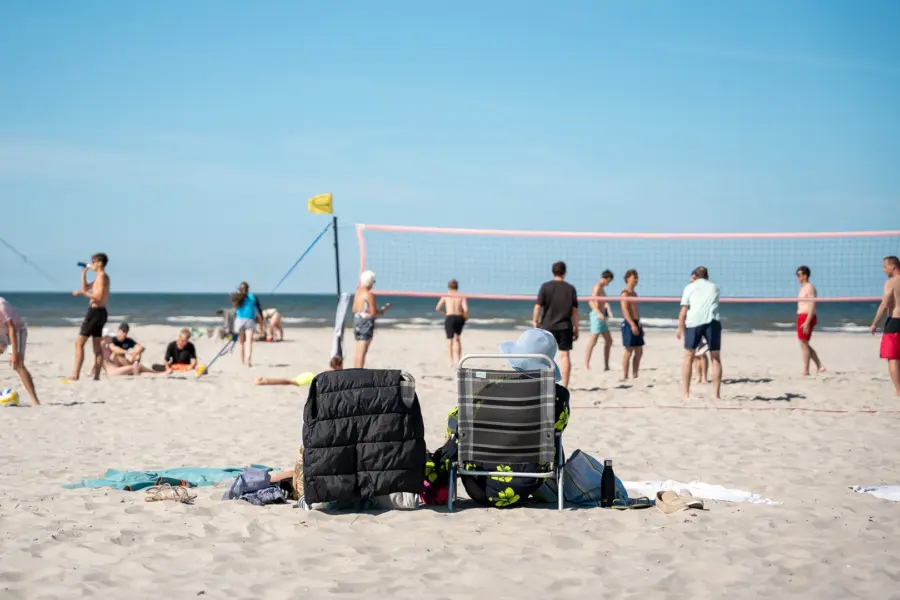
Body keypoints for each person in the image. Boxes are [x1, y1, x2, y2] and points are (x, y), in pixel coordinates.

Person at [676, 266, 723, 400]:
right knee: (715, 358)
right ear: (707, 276)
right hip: (712, 322)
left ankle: (686, 393)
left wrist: (680, 328)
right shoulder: (715, 287)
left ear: (694, 276)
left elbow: (683, 312)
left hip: (694, 322)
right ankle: (716, 395)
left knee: (688, 357)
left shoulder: (689, 287)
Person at [533, 261, 579, 387]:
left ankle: (545, 384)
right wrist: (577, 328)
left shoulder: (545, 287)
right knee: (565, 355)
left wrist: (535, 322)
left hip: (548, 327)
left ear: (553, 272)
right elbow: (575, 312)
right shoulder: (570, 289)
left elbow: (537, 307)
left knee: (544, 357)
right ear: (565, 272)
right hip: (565, 327)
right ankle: (565, 385)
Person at [71, 253, 110, 381]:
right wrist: (84, 273)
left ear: (99, 263)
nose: (91, 264)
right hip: (99, 313)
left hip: (95, 313)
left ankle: (75, 375)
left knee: (79, 343)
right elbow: (86, 287)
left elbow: (98, 297)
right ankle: (97, 377)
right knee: (96, 345)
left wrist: (83, 293)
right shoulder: (99, 277)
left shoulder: (102, 277)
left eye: (93, 262)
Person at [0, 296, 40, 405]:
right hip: (2, 332)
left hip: (17, 331)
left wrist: (14, 353)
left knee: (18, 364)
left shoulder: (2, 305)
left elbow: (11, 328)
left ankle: (35, 400)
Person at [870, 256, 900, 396]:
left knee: (893, 358)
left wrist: (875, 322)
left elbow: (884, 304)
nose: (883, 270)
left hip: (895, 322)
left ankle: (899, 390)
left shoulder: (891, 283)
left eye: (885, 266)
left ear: (893, 266)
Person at [353, 270, 390, 368]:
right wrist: (383, 310)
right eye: (373, 282)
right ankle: (358, 376)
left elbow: (354, 309)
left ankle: (355, 373)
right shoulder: (370, 295)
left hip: (357, 321)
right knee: (362, 352)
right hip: (366, 323)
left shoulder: (357, 293)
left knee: (358, 352)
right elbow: (373, 313)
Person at [796, 265, 825, 376]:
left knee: (804, 343)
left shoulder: (809, 287)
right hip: (801, 316)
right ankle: (819, 365)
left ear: (805, 275)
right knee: (804, 343)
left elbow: (812, 305)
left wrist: (807, 322)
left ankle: (806, 370)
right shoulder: (803, 288)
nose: (797, 277)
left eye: (799, 275)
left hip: (807, 316)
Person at [584, 270, 614, 371]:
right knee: (593, 341)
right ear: (607, 279)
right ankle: (586, 364)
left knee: (609, 340)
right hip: (597, 317)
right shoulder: (597, 287)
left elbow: (602, 302)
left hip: (602, 316)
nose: (609, 284)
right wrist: (598, 313)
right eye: (609, 281)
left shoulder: (602, 288)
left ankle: (606, 365)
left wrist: (607, 308)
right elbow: (591, 302)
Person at [436, 279, 469, 367]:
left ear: (449, 287)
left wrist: (445, 312)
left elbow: (438, 308)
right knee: (457, 339)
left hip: (450, 317)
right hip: (459, 317)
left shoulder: (446, 295)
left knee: (449, 340)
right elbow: (465, 309)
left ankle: (451, 362)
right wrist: (465, 317)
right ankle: (459, 361)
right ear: (457, 287)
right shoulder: (461, 296)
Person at [619, 269, 643, 379]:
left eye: (637, 278)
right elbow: (625, 310)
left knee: (639, 351)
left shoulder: (635, 294)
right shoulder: (625, 293)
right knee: (629, 350)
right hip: (629, 323)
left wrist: (638, 323)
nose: (636, 280)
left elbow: (636, 310)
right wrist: (632, 324)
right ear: (628, 278)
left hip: (637, 322)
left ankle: (635, 374)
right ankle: (625, 375)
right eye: (634, 277)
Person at [232, 282, 263, 367]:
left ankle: (242, 361)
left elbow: (235, 310)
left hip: (239, 321)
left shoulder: (237, 297)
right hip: (249, 320)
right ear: (248, 288)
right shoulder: (253, 297)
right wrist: (262, 320)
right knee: (249, 341)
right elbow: (259, 309)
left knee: (241, 342)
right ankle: (248, 360)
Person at [254, 356, 343, 386]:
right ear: (338, 365)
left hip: (309, 375)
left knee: (288, 380)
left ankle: (265, 380)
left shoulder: (329, 370)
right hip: (309, 379)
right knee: (287, 381)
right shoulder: (334, 373)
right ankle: (265, 381)